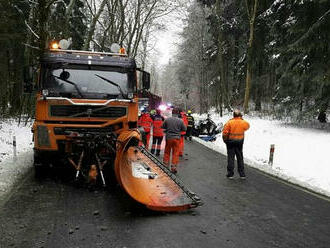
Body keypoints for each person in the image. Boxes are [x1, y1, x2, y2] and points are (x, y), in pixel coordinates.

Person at [222, 109, 250, 179]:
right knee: (240, 157)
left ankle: (230, 174)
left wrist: (225, 140)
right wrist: (241, 119)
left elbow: (225, 132)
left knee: (231, 158)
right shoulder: (243, 122)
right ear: (239, 115)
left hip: (230, 142)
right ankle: (242, 174)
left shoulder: (229, 122)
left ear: (233, 115)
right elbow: (247, 126)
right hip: (240, 142)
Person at [162, 108, 187, 173]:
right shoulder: (180, 121)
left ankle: (165, 164)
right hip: (176, 139)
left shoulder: (167, 119)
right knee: (175, 153)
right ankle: (173, 167)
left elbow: (163, 126)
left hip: (169, 138)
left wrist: (168, 129)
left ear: (172, 113)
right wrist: (178, 130)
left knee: (167, 151)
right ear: (178, 113)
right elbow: (184, 129)